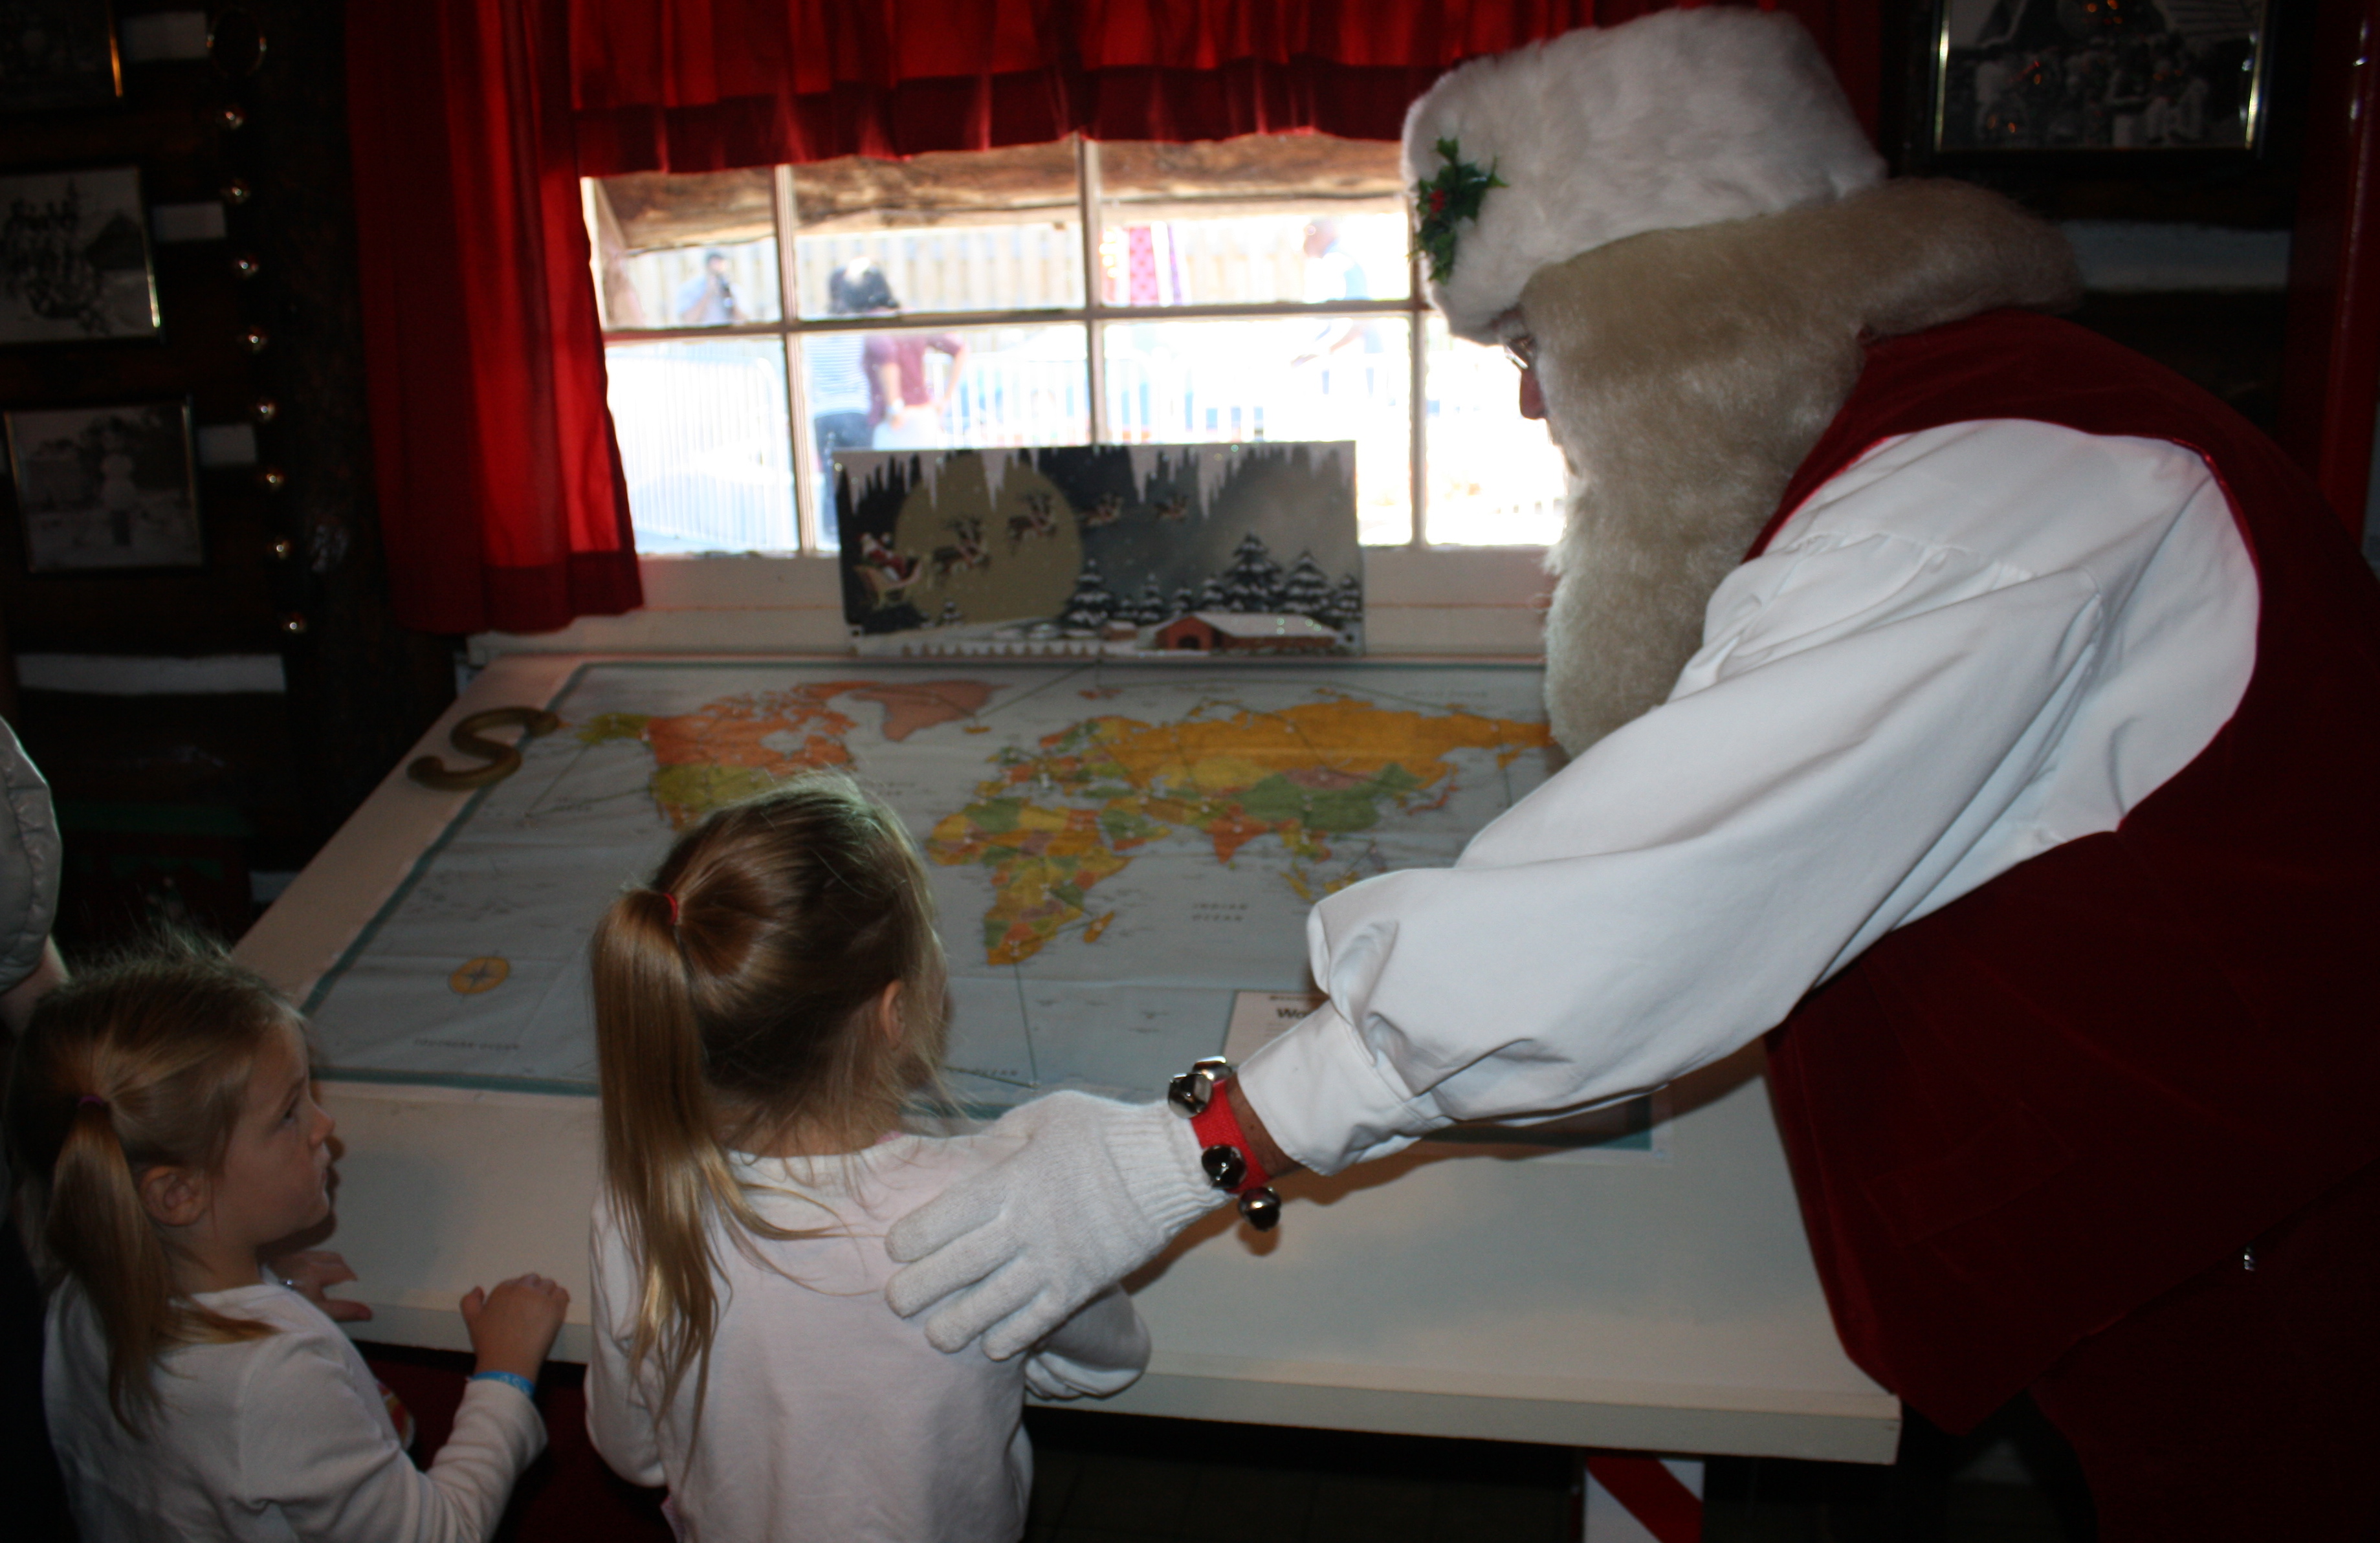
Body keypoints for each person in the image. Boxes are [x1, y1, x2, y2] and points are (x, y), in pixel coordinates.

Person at [881, 10, 2380, 1540]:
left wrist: (1179, 1152)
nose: (1534, 404)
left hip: (2268, 1247)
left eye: (1536, 344)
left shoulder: (1973, 501)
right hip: (2192, 1209)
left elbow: (1640, 904)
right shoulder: (1961, 431)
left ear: (1684, 305)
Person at [582, 774, 1148, 1543]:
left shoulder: (639, 1209)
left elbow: (635, 1452)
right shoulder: (990, 1201)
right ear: (893, 1013)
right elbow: (1112, 1361)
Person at [7, 937, 569, 1542]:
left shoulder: (79, 1291)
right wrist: (504, 1376)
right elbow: (441, 1533)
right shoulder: (275, 1379)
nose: (324, 1124)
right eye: (287, 1114)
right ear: (178, 1193)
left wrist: (272, 1288)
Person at [810, 259, 890, 543]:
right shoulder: (858, 327)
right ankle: (864, 532)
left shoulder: (813, 328)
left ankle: (834, 537)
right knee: (861, 474)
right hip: (855, 408)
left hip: (823, 412)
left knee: (830, 477)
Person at [672, 249, 740, 327]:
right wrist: (708, 293)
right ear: (707, 267)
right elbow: (689, 320)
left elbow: (742, 320)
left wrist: (729, 296)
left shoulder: (733, 289)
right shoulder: (690, 289)